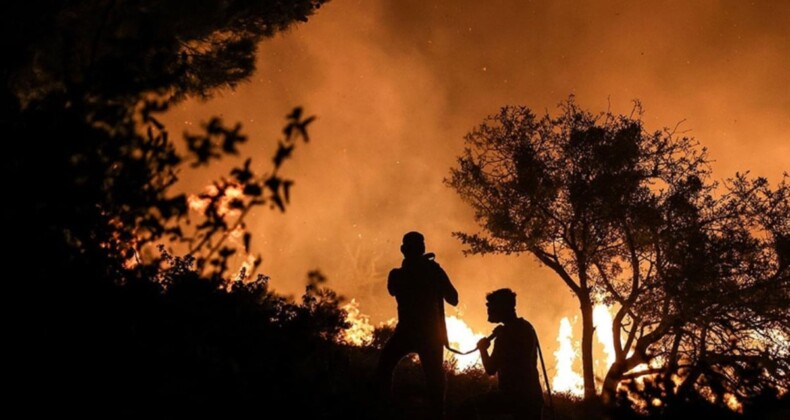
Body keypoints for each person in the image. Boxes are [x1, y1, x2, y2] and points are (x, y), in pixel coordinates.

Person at [375, 231, 459, 419]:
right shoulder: (431, 271)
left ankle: (383, 409)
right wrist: (432, 276)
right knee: (435, 380)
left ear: (403, 250)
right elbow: (453, 298)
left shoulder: (397, 275)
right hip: (428, 334)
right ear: (422, 249)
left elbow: (394, 289)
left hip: (408, 332)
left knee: (384, 369)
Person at [473, 288, 544, 420]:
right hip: (534, 397)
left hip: (513, 398)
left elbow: (490, 369)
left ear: (501, 308)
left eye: (491, 306)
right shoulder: (526, 326)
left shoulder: (505, 335)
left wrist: (483, 349)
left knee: (469, 407)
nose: (488, 309)